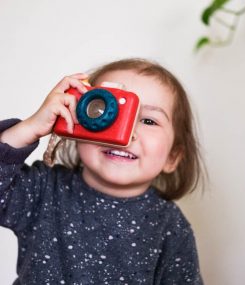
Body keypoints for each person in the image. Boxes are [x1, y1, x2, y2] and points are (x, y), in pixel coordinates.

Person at [0, 58, 206, 284]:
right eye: (104, 110)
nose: (126, 133)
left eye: (148, 120)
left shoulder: (171, 226)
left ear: (173, 156)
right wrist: (29, 127)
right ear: (78, 120)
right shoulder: (43, 189)